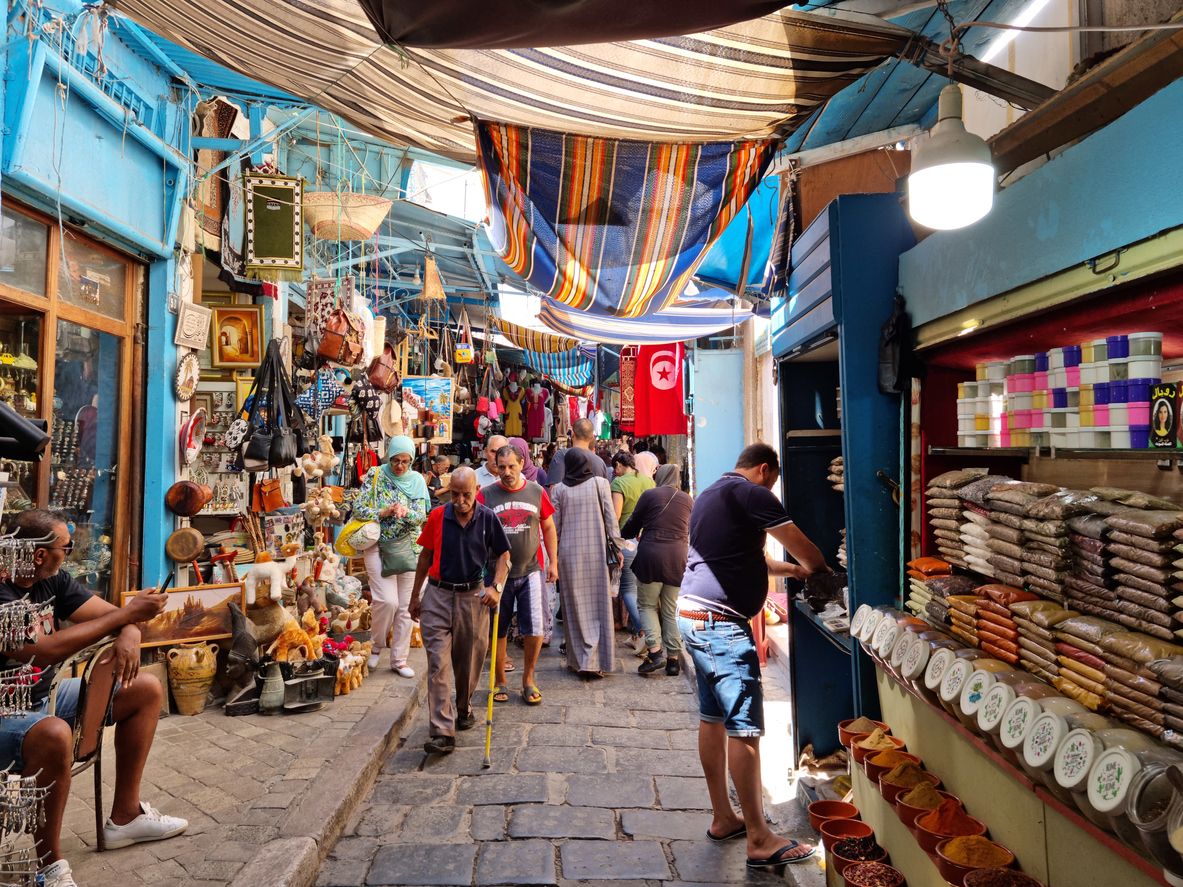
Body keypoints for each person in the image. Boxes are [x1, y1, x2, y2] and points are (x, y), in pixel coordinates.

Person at [0, 510, 188, 887]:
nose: (68, 554)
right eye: (64, 548)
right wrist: (127, 617)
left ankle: (126, 817)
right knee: (53, 733)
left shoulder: (52, 580)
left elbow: (113, 615)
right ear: (39, 554)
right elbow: (43, 649)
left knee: (145, 689)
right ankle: (49, 867)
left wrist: (130, 629)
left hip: (43, 699)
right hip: (8, 714)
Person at [678, 443, 828, 869]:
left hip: (693, 614)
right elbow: (802, 546)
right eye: (774, 481)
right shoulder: (753, 493)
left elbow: (752, 559)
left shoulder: (710, 494)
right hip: (721, 625)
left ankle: (724, 818)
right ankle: (760, 838)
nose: (772, 489)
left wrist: (790, 572)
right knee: (744, 726)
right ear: (765, 470)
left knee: (713, 718)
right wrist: (816, 568)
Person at [409, 468, 511, 755]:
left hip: (473, 597)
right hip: (438, 595)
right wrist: (415, 596)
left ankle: (464, 708)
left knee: (468, 662)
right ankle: (442, 731)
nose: (460, 500)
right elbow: (425, 555)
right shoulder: (439, 516)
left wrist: (497, 588)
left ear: (476, 490)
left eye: (466, 495)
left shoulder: (488, 518)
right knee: (438, 665)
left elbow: (504, 555)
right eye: (455, 494)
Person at [479, 444, 558, 705]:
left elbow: (548, 527)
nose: (507, 472)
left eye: (512, 466)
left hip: (531, 570)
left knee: (534, 627)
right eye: (501, 467)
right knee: (498, 630)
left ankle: (528, 679)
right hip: (497, 574)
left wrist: (553, 562)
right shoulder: (486, 495)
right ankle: (500, 680)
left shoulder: (536, 492)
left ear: (522, 463)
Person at [354, 436, 431, 677]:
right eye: (396, 460)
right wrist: (384, 511)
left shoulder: (417, 481)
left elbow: (421, 515)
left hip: (408, 547)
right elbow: (359, 508)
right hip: (378, 544)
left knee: (406, 606)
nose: (400, 466)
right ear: (389, 457)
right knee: (387, 601)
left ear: (412, 461)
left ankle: (399, 659)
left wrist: (405, 512)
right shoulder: (376, 475)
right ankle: (376, 645)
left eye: (405, 462)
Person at [551, 449, 623, 677]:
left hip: (569, 556)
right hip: (596, 553)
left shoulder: (560, 489)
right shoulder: (601, 484)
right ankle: (597, 661)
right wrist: (618, 546)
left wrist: (553, 557)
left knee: (574, 607)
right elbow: (611, 519)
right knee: (598, 606)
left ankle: (580, 660)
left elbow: (556, 527)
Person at [622, 463, 692, 676]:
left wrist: (625, 533)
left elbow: (633, 524)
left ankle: (654, 653)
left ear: (658, 476)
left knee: (647, 606)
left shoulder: (650, 495)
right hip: (677, 557)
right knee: (670, 609)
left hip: (651, 556)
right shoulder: (688, 500)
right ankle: (673, 660)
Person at [610, 452, 654, 654]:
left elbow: (616, 516)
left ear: (619, 465)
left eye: (615, 468)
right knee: (642, 591)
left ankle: (645, 631)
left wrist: (613, 541)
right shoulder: (648, 481)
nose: (614, 472)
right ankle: (639, 634)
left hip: (627, 542)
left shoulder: (618, 484)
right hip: (647, 540)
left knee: (628, 589)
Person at [547, 418, 610, 487]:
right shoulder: (600, 462)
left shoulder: (561, 455)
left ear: (573, 434)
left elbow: (554, 490)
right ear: (592, 438)